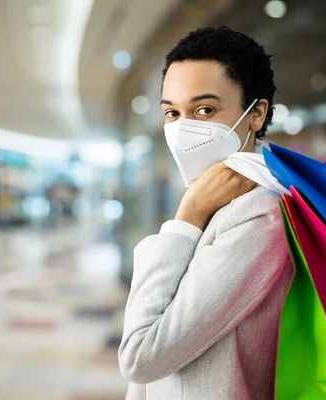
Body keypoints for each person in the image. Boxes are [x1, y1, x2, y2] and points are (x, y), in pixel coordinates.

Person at [118, 26, 294, 399]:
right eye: (172, 113)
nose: (184, 129)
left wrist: (187, 217)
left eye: (205, 110)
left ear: (256, 114)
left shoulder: (260, 217)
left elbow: (140, 355)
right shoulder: (223, 205)